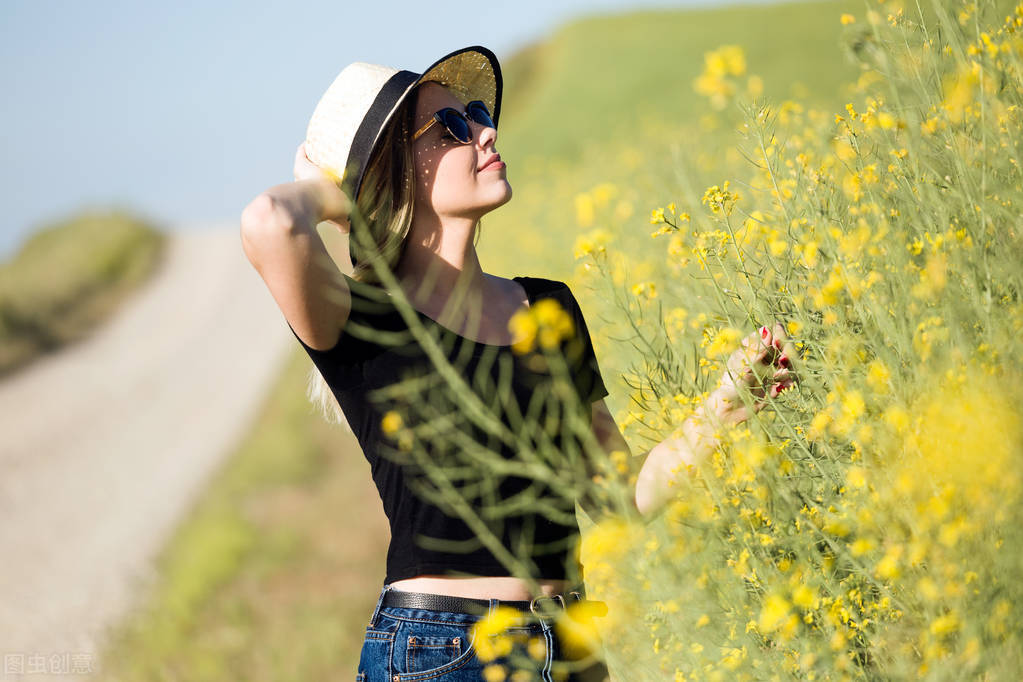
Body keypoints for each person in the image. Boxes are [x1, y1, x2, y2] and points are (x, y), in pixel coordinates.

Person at [240, 45, 794, 682]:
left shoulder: (546, 306)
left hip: (572, 645)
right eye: (453, 126)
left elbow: (620, 498)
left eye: (477, 112)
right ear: (393, 172)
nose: (487, 130)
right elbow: (269, 223)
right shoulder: (364, 321)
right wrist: (340, 189)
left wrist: (725, 407)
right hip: (441, 651)